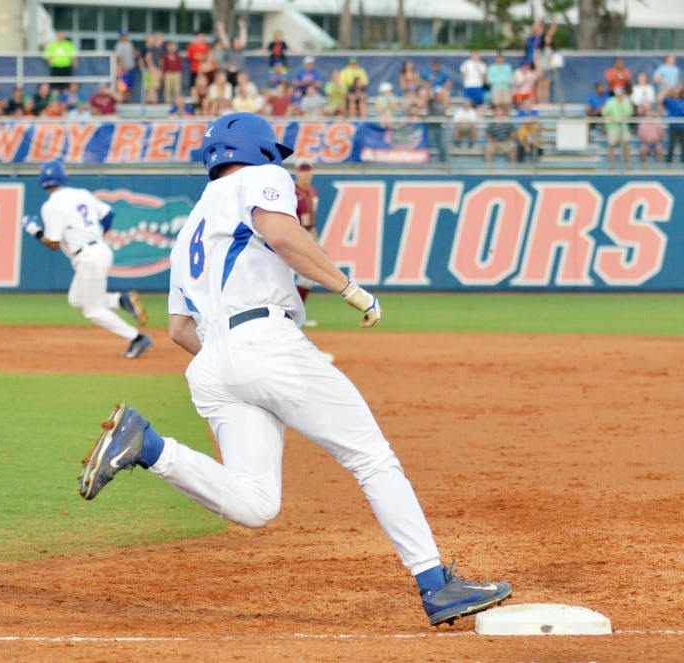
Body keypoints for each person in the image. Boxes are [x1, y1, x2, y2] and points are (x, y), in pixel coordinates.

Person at [76, 111, 512, 628]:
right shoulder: (264, 178)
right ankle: (436, 586)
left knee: (257, 504)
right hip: (263, 338)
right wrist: (350, 289)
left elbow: (177, 329)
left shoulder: (190, 226)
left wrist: (234, 361)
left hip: (212, 358)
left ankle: (149, 448)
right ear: (259, 151)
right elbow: (282, 235)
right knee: (372, 458)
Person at [21, 161, 152, 359]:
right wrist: (99, 235)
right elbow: (109, 213)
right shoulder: (80, 193)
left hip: (88, 256)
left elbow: (54, 244)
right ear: (63, 177)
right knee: (76, 299)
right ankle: (120, 300)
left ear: (43, 183)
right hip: (99, 250)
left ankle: (136, 338)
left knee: (93, 311)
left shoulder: (51, 205)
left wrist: (34, 230)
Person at [292, 159, 321, 326]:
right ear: (297, 172)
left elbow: (310, 224)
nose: (305, 173)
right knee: (287, 279)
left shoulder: (313, 193)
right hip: (290, 239)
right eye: (302, 170)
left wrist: (316, 244)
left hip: (304, 236)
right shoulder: (292, 192)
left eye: (307, 169)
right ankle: (293, 318)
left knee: (306, 278)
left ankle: (297, 317)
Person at [601, 86, 633, 166]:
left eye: (621, 93)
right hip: (612, 127)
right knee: (611, 145)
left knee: (626, 144)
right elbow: (604, 112)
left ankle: (629, 163)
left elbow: (629, 113)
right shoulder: (610, 101)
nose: (620, 95)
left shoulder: (626, 101)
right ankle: (611, 164)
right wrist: (611, 118)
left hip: (624, 127)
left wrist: (622, 118)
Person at [663, 84, 684, 162]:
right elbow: (661, 100)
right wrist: (667, 89)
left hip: (682, 126)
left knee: (683, 145)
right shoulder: (669, 100)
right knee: (671, 145)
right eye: (675, 90)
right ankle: (668, 162)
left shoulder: (682, 101)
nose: (676, 92)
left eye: (678, 90)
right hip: (673, 125)